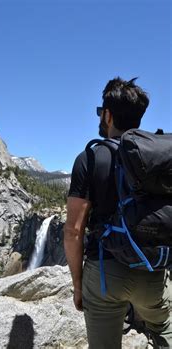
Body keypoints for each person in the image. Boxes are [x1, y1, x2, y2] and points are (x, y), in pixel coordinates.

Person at [64, 77, 171, 348]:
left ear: (108, 115)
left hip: (104, 275)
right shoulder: (158, 159)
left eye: (101, 113)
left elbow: (73, 231)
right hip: (152, 271)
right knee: (165, 329)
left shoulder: (89, 158)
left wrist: (78, 287)